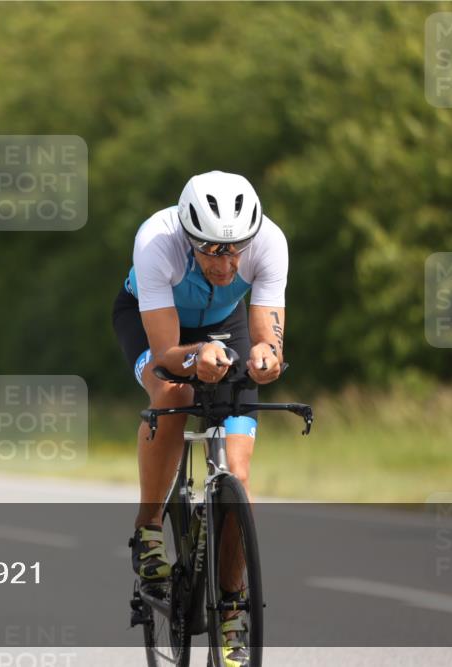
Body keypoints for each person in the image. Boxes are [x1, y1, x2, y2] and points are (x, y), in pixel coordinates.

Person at [113, 171, 288, 667]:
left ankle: (232, 611)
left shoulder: (271, 242)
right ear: (189, 238)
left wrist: (265, 358)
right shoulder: (156, 242)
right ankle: (148, 526)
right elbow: (167, 352)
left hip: (225, 326)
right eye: (212, 251)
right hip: (156, 323)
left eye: (236, 251)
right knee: (172, 392)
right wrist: (196, 358)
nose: (227, 263)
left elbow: (266, 338)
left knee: (239, 472)